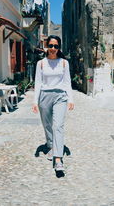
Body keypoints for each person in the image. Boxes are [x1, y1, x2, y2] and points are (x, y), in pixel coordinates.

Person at [32, 35, 74, 172]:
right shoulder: (41, 63)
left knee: (58, 125)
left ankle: (58, 158)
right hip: (44, 96)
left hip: (60, 96)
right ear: (47, 46)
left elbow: (67, 82)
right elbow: (38, 83)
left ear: (59, 47)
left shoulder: (64, 63)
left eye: (56, 46)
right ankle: (50, 145)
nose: (53, 48)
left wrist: (71, 99)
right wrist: (34, 101)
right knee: (47, 124)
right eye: (51, 46)